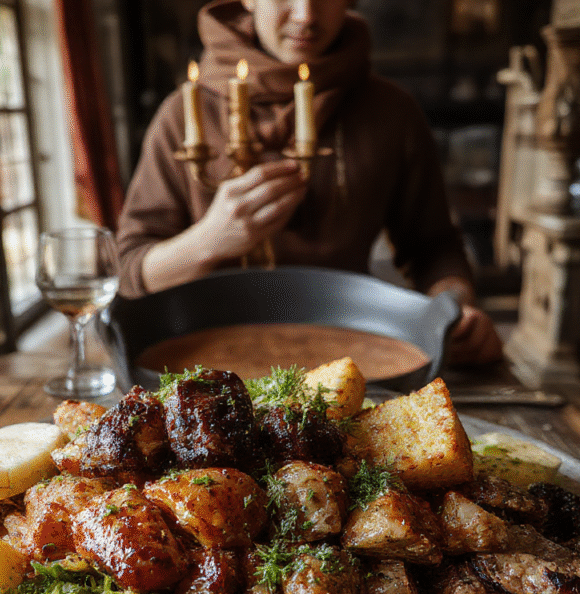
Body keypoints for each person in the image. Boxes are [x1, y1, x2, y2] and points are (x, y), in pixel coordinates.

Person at [116, 0, 502, 366]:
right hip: (202, 362)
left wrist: (456, 308)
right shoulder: (183, 116)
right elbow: (131, 271)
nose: (306, 16)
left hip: (354, 356)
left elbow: (433, 247)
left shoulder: (391, 111)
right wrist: (209, 240)